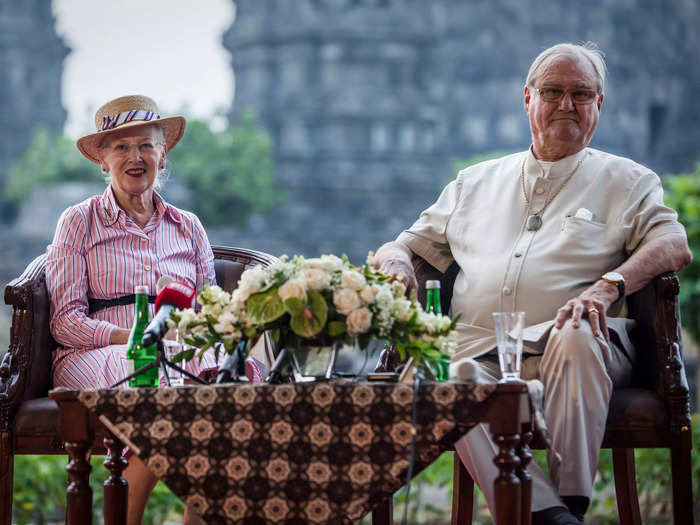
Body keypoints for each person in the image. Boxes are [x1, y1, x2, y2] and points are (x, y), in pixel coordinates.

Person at [374, 43, 691, 524]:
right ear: (528, 99)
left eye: (582, 94)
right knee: (449, 378)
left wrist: (607, 287)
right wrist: (396, 262)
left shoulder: (629, 181)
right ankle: (550, 516)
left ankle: (571, 499)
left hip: (582, 347)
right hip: (479, 351)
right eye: (554, 91)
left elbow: (674, 245)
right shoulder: (473, 183)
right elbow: (402, 246)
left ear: (599, 105)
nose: (568, 104)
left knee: (577, 332)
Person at [47, 95, 216, 525]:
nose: (135, 157)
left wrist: (189, 327)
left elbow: (213, 313)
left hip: (175, 351)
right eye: (121, 147)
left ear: (164, 153)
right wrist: (131, 337)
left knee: (227, 384)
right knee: (151, 373)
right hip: (93, 355)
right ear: (102, 160)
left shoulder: (188, 226)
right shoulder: (78, 221)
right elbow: (64, 321)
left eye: (146, 145)